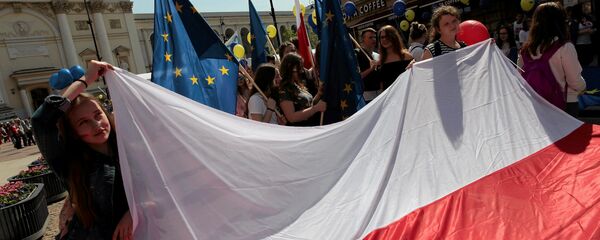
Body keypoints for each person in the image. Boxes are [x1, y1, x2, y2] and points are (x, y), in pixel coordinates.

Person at [32, 60, 132, 239]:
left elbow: (156, 183)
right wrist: (86, 79)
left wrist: (134, 212)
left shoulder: (127, 146)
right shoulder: (69, 161)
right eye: (83, 122)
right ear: (73, 132)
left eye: (97, 115)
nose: (97, 125)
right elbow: (42, 121)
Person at [517, 2, 586, 117]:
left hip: (536, 106)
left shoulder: (525, 50)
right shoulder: (565, 47)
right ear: (560, 21)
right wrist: (583, 86)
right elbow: (576, 83)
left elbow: (519, 79)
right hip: (566, 104)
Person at [278, 53, 326, 126]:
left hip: (311, 126)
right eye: (299, 68)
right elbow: (292, 117)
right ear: (291, 69)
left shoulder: (297, 85)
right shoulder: (284, 90)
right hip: (300, 132)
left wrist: (319, 94)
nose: (302, 71)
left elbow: (308, 105)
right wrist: (316, 108)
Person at [377, 25, 413, 91]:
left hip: (405, 93)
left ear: (394, 37)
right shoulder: (380, 60)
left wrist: (414, 63)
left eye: (387, 36)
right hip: (389, 97)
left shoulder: (406, 56)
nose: (384, 39)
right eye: (382, 37)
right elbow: (381, 84)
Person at [354, 28, 380, 103]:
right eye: (370, 37)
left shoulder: (377, 55)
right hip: (366, 96)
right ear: (363, 39)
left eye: (375, 37)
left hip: (380, 94)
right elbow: (357, 77)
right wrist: (370, 69)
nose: (374, 39)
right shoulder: (357, 54)